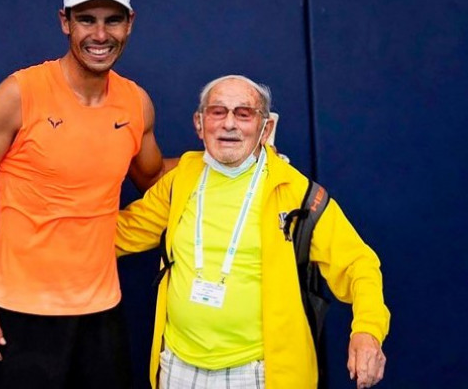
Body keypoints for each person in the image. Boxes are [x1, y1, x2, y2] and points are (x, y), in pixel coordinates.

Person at [0, 0, 176, 388]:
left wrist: (226, 155)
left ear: (130, 24)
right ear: (64, 21)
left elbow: (155, 178)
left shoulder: (135, 104)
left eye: (112, 20)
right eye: (86, 19)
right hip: (20, 314)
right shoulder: (20, 94)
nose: (99, 35)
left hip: (102, 313)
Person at [116, 75, 390, 389]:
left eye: (243, 113)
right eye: (217, 112)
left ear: (266, 128)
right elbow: (120, 234)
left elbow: (358, 264)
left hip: (259, 373)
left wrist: (367, 331)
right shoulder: (182, 180)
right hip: (178, 366)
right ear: (199, 122)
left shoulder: (297, 195)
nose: (229, 124)